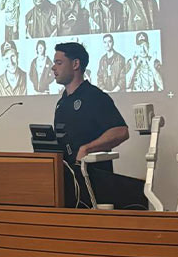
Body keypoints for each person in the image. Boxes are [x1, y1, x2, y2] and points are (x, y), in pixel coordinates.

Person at [52, 42, 129, 172]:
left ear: (75, 64)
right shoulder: (62, 102)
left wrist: (86, 149)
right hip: (66, 175)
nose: (53, 68)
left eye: (59, 63)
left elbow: (121, 131)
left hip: (93, 177)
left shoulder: (95, 96)